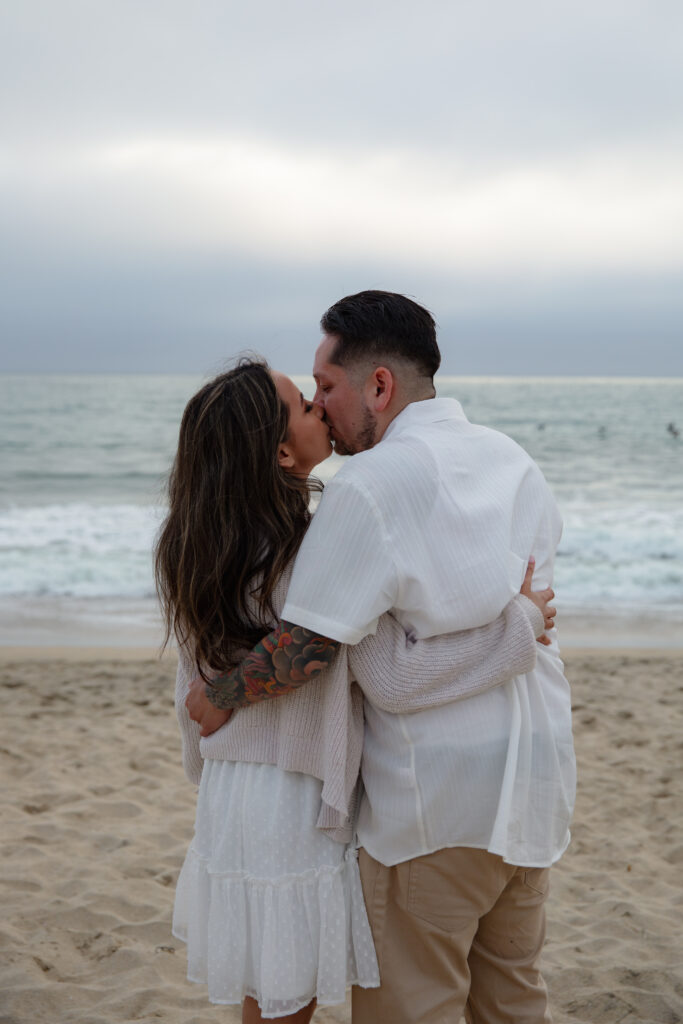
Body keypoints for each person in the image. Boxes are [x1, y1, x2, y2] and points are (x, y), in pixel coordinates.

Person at [188, 293, 576, 1024]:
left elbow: (327, 654)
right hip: (536, 782)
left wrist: (221, 695)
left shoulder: (366, 488)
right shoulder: (511, 459)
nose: (321, 406)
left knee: (411, 1006)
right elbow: (534, 612)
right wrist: (518, 625)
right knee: (512, 999)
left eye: (325, 388)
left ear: (378, 387)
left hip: (437, 801)